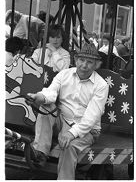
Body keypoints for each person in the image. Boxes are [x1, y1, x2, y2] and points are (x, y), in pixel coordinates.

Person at [26, 42, 109, 180]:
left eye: (90, 62)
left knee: (69, 146)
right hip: (62, 121)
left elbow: (91, 117)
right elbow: (51, 93)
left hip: (87, 130)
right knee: (46, 106)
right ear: (75, 60)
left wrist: (71, 134)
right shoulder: (64, 74)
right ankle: (40, 152)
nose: (84, 65)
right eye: (81, 60)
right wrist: (38, 97)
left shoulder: (101, 85)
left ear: (96, 65)